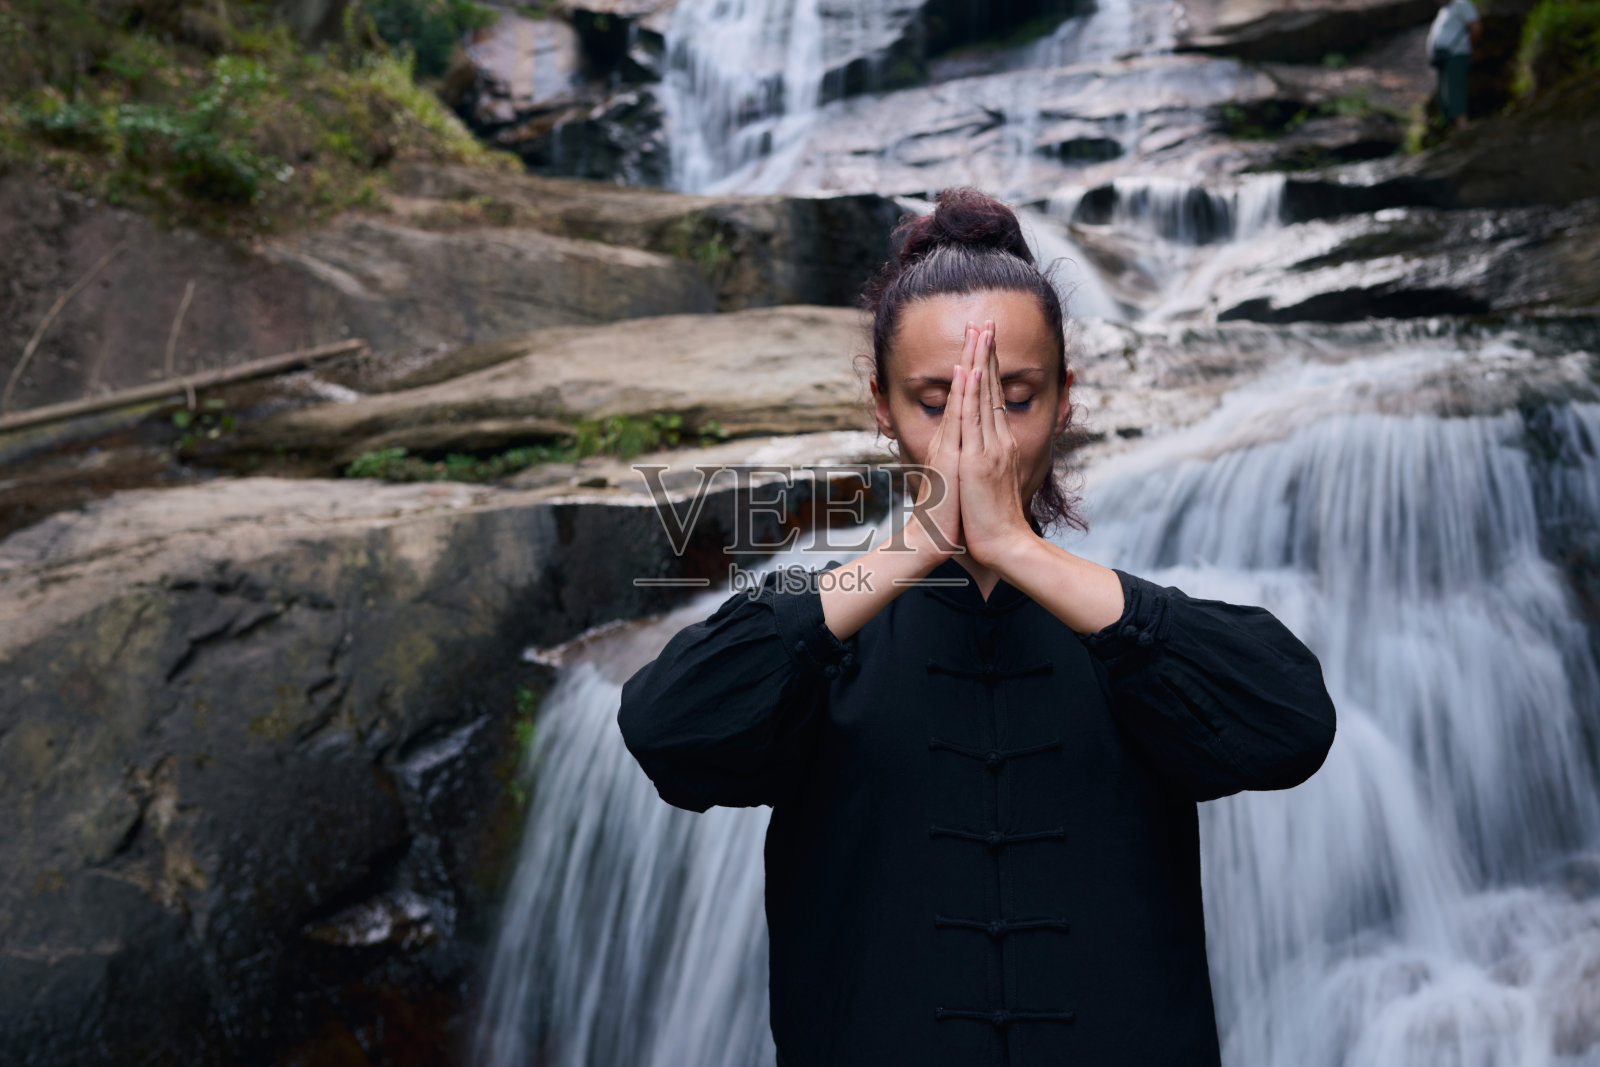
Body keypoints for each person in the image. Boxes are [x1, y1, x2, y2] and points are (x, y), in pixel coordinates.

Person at [615, 187, 1338, 1066]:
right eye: (936, 402)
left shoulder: (1133, 642)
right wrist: (922, 539)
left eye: (1015, 398)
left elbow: (1293, 723)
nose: (977, 437)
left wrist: (1016, 548)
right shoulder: (823, 642)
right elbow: (667, 726)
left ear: (1065, 399)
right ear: (881, 405)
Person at [1427, 0, 1482, 131]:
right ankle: (1452, 128)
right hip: (1443, 59)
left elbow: (1475, 27)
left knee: (1455, 90)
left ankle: (1462, 126)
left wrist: (1473, 48)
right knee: (1443, 96)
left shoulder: (1461, 4)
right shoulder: (1444, 11)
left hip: (1457, 54)